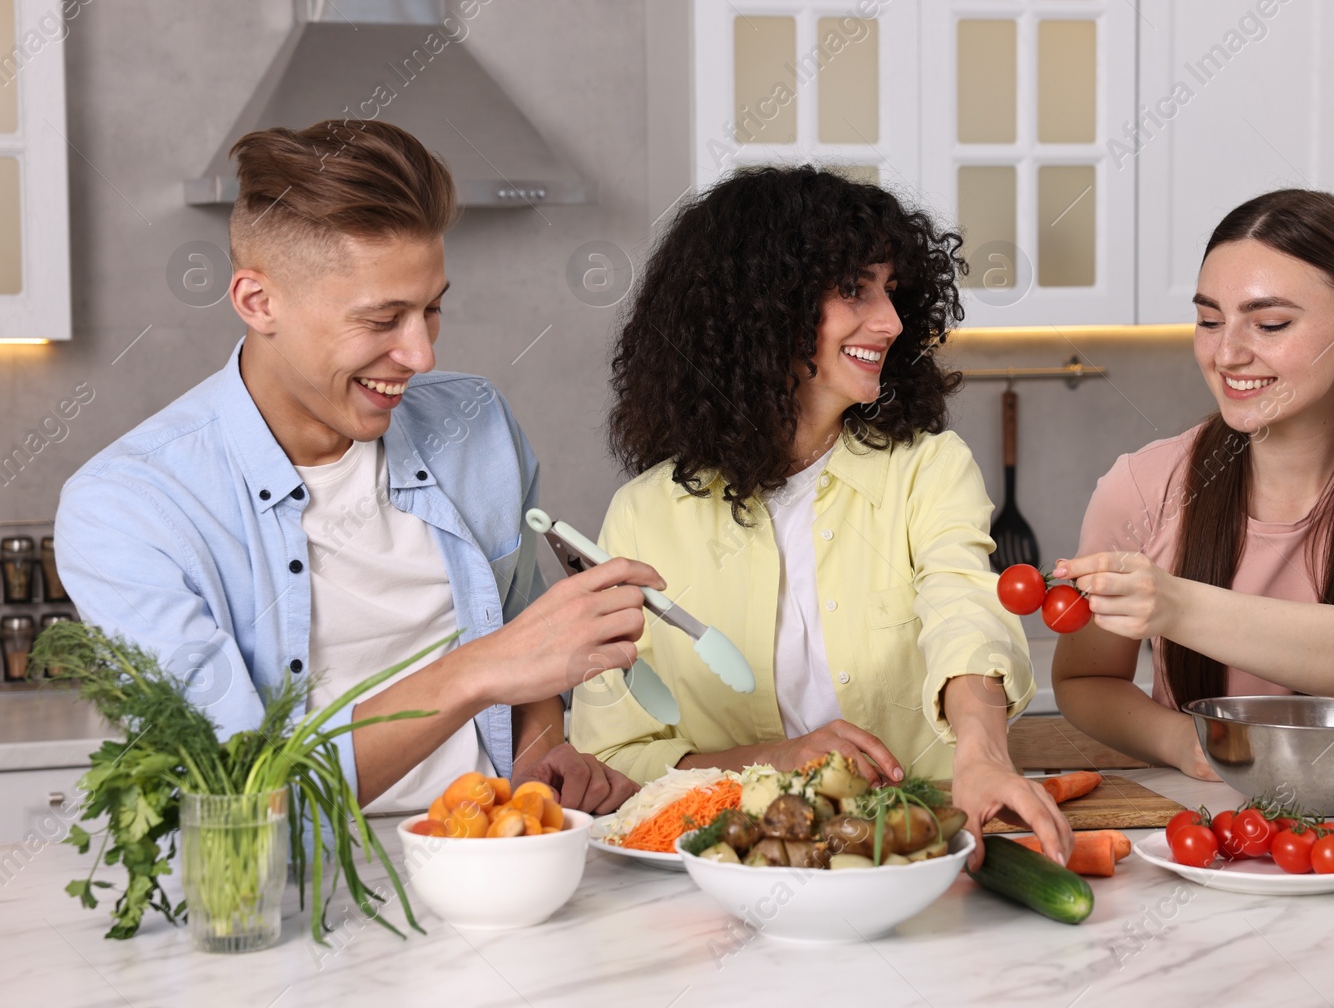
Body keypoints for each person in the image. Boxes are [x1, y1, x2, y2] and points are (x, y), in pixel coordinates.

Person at [55, 119, 660, 814]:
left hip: (491, 860)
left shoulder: (477, 426)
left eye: (432, 309)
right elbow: (236, 795)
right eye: (382, 320)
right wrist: (478, 670)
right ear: (258, 302)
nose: (420, 354)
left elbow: (528, 674)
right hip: (294, 896)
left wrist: (541, 766)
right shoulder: (128, 506)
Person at [571, 165, 1073, 864]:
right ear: (761, 307)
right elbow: (618, 752)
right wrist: (783, 759)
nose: (892, 321)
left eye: (892, 291)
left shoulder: (927, 468)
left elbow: (964, 606)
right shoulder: (643, 515)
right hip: (721, 880)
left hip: (912, 859)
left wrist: (982, 753)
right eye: (853, 290)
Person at [1052, 189, 1334, 779]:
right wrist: (1182, 742)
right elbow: (1086, 678)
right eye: (1210, 320)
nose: (1228, 353)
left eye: (1269, 323)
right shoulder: (1141, 486)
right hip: (1198, 824)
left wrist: (1174, 604)